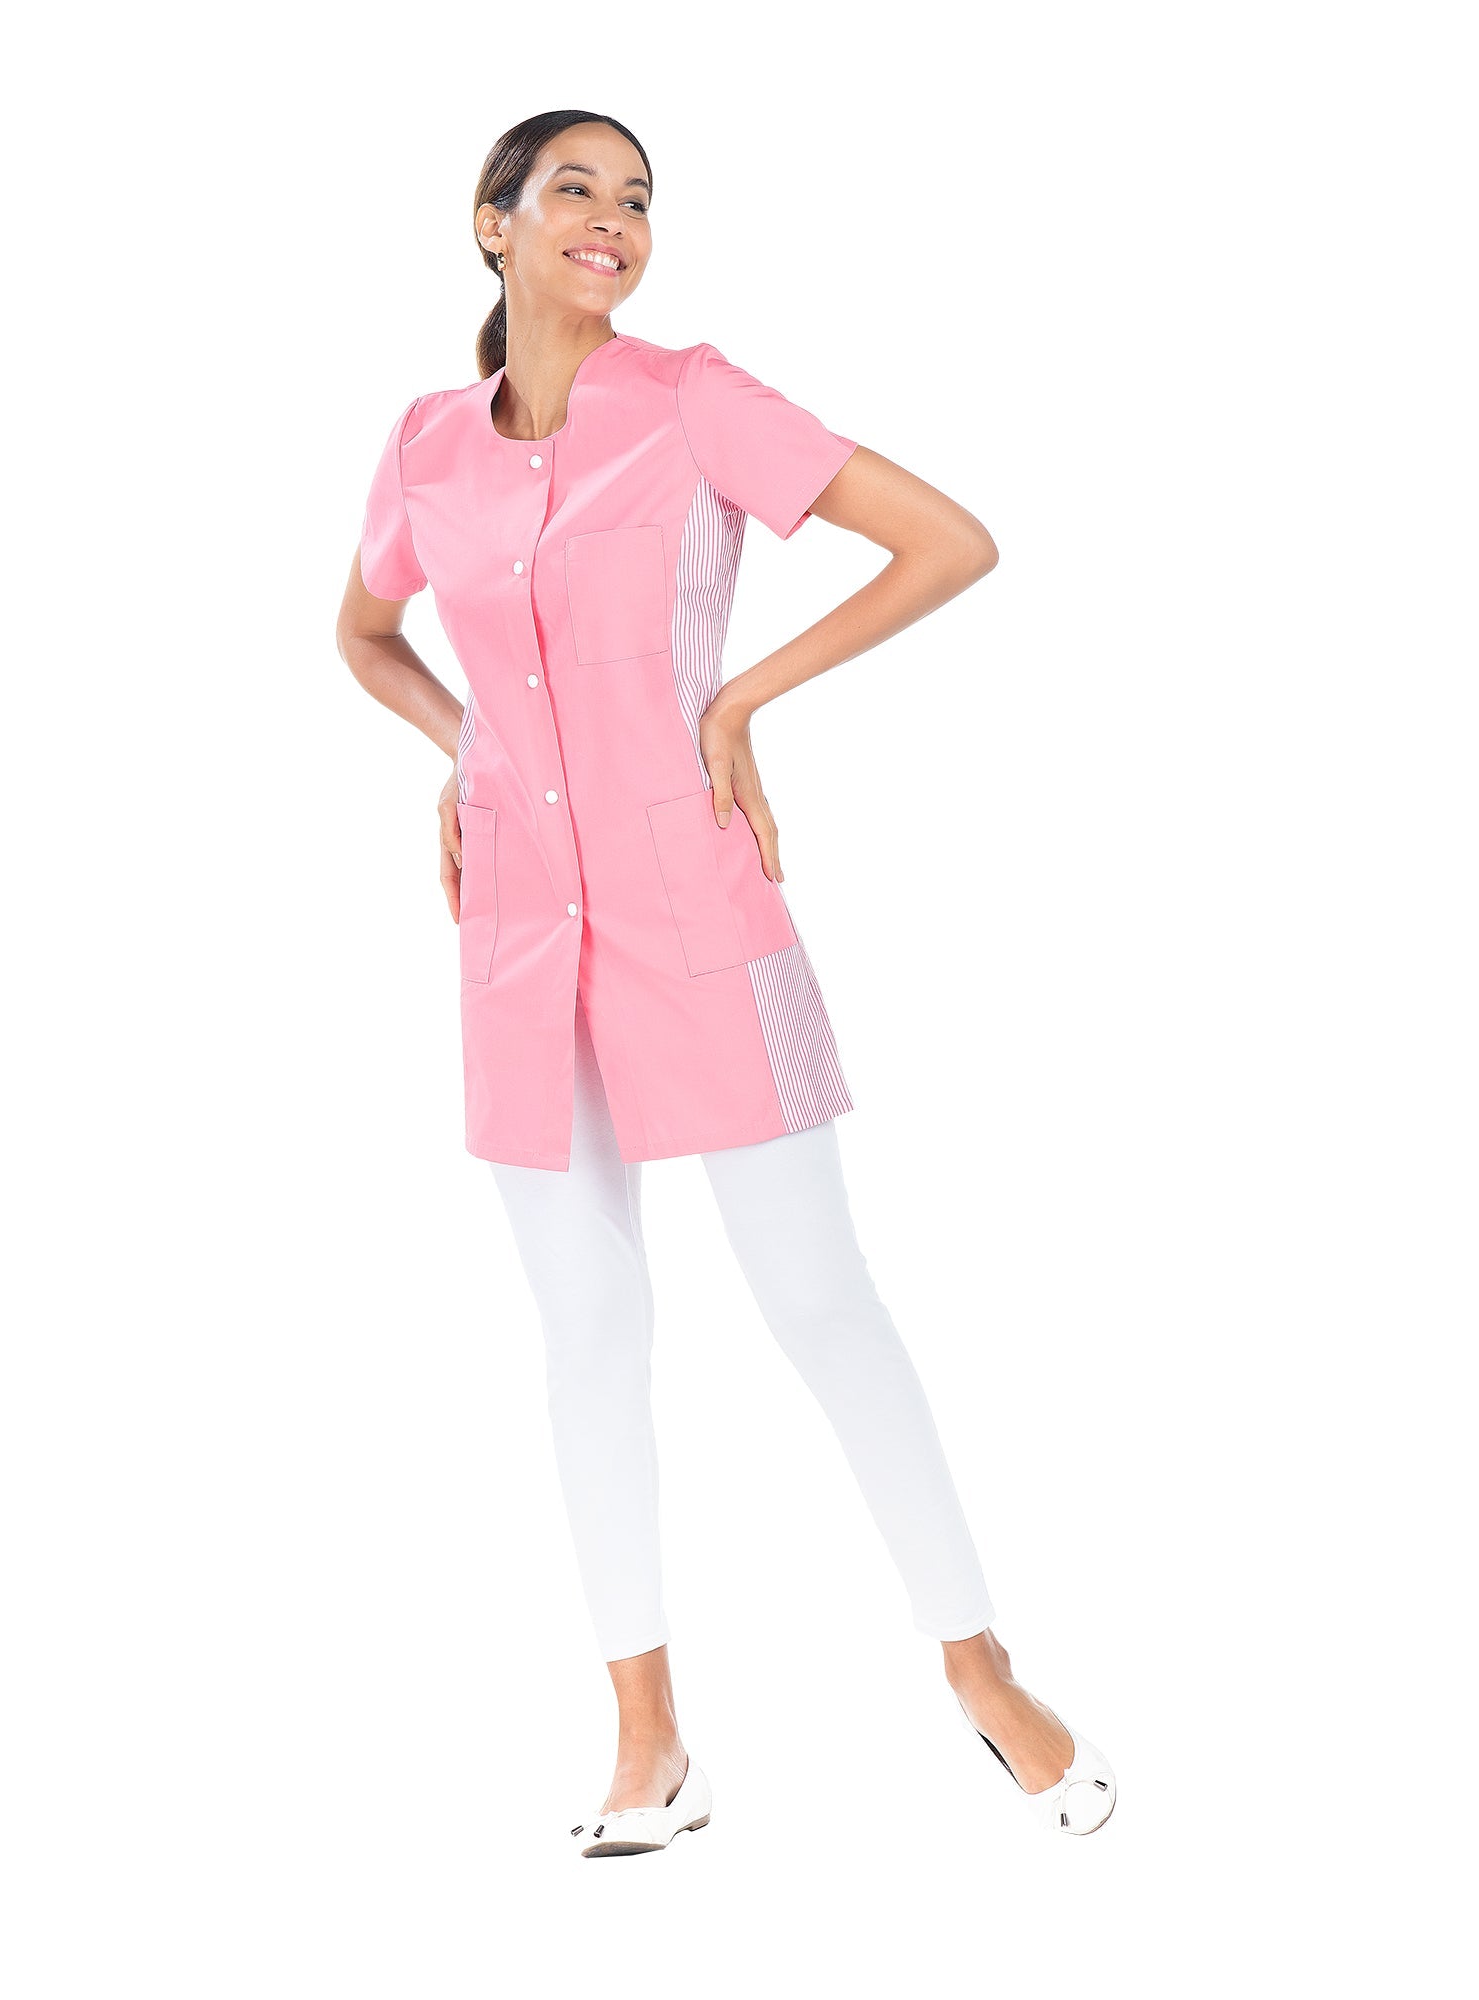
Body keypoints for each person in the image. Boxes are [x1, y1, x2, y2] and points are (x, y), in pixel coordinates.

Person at [337, 109, 1115, 1854]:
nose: (612, 219)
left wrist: (741, 699)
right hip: (517, 932)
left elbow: (949, 540)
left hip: (698, 905)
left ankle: (980, 1667)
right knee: (587, 1333)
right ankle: (647, 1737)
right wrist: (467, 751)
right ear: (492, 223)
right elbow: (364, 632)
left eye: (637, 198)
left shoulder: (694, 400)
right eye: (574, 190)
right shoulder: (425, 444)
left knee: (820, 1298)